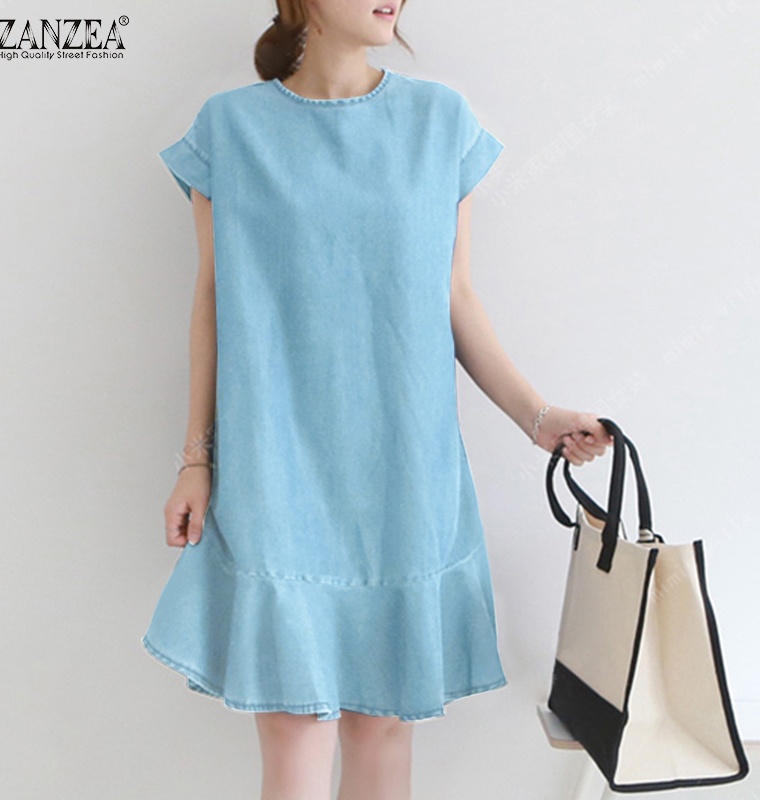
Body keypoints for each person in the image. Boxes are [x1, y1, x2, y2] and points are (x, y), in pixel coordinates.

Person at [142, 2, 614, 798]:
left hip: (404, 473)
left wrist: (537, 418)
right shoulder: (230, 130)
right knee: (296, 732)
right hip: (275, 471)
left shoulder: (440, 121)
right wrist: (196, 459)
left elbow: (455, 298)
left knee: (380, 730)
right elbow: (214, 301)